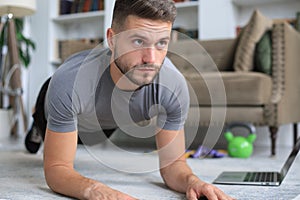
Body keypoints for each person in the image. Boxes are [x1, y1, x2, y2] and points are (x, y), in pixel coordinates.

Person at [25, 0, 235, 199]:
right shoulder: (69, 81)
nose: (151, 59)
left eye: (161, 43)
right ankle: (37, 125)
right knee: (51, 126)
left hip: (105, 123)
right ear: (112, 39)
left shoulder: (173, 87)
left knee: (92, 137)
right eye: (138, 41)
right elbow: (57, 169)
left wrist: (193, 182)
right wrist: (93, 189)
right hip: (57, 105)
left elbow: (173, 165)